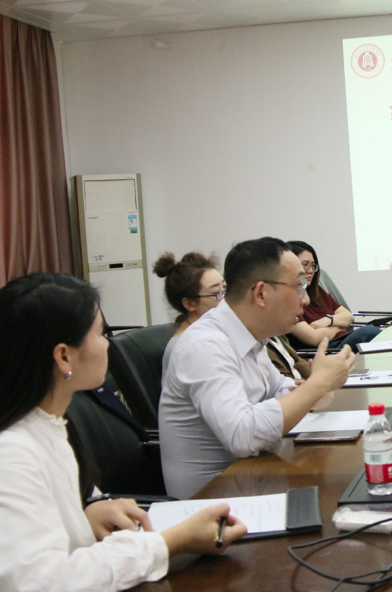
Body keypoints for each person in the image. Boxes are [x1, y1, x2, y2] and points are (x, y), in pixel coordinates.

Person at [0, 273, 246, 592]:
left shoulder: (51, 423)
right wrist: (173, 541)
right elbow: (40, 581)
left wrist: (89, 510)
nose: (107, 344)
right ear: (64, 357)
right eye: (100, 334)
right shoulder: (12, 452)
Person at [159, 237, 356, 498]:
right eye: (299, 286)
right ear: (261, 293)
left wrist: (309, 390)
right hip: (214, 502)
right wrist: (316, 386)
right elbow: (242, 436)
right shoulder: (204, 345)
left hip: (257, 476)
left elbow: (280, 387)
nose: (306, 300)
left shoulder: (252, 335)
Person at [286, 240, 381, 352]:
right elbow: (313, 338)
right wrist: (338, 326)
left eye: (313, 265)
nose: (311, 270)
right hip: (325, 351)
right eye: (305, 265)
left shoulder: (316, 290)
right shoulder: (288, 298)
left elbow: (348, 316)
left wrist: (327, 321)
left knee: (377, 333)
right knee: (369, 332)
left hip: (341, 340)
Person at [152, 252, 225, 369]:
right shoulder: (188, 348)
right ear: (189, 304)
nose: (225, 299)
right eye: (216, 293)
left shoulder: (212, 334)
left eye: (225, 288)